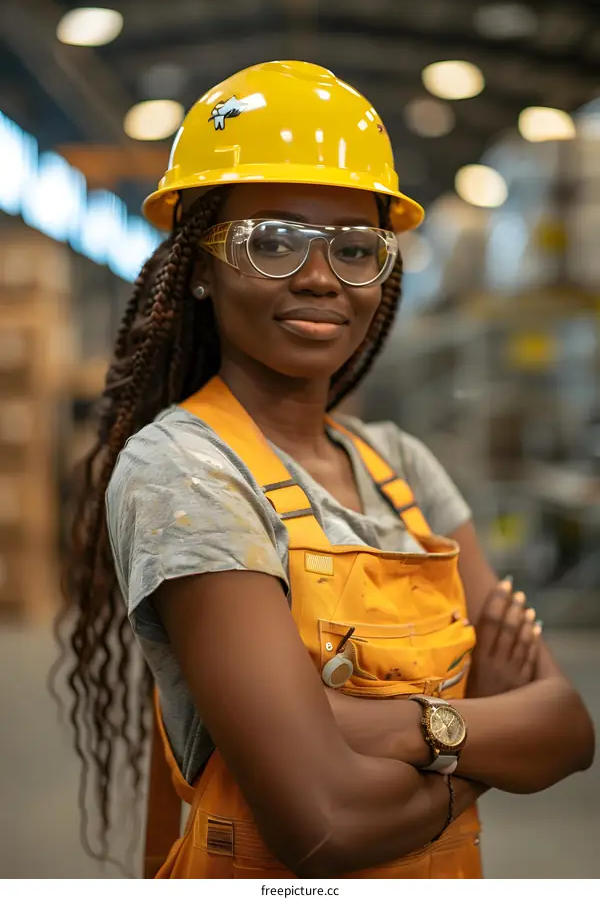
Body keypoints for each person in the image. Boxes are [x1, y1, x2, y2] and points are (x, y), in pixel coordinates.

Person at [55, 61, 594, 879]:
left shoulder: (403, 466)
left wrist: (381, 729)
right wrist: (476, 737)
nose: (318, 278)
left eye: (353, 248)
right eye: (269, 242)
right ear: (198, 267)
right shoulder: (187, 474)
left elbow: (566, 729)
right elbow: (327, 824)